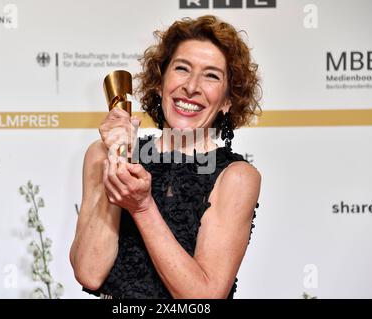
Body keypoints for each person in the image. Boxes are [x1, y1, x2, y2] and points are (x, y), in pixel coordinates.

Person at [69, 15, 261, 299]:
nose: (192, 86)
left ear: (227, 100)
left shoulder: (237, 177)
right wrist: (118, 156)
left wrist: (142, 207)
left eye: (211, 75)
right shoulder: (102, 154)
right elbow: (89, 273)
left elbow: (203, 297)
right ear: (160, 83)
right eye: (182, 68)